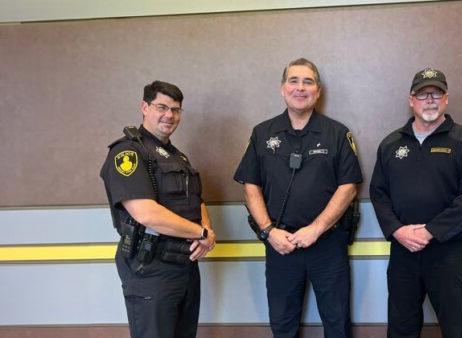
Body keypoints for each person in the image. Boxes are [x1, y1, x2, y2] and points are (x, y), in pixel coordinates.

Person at [234, 58, 363, 338]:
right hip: (280, 245)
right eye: (294, 80)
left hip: (327, 244)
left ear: (318, 91)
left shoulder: (337, 133)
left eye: (308, 82)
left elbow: (348, 187)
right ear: (283, 88)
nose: (300, 87)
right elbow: (250, 186)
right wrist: (269, 232)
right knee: (282, 324)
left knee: (337, 320)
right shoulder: (262, 133)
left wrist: (316, 229)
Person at [369, 68, 462, 338]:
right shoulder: (391, 144)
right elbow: (378, 193)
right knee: (401, 328)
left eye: (436, 93)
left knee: (458, 328)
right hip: (403, 251)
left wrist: (430, 231)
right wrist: (398, 231)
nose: (430, 100)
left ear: (446, 99)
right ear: (411, 100)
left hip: (451, 252)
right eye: (422, 95)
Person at [100, 80, 216, 338]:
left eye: (175, 110)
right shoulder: (128, 152)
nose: (169, 115)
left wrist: (207, 229)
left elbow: (196, 199)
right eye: (161, 107)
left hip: (184, 265)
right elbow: (146, 213)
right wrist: (201, 233)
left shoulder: (178, 156)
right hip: (150, 267)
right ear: (144, 107)